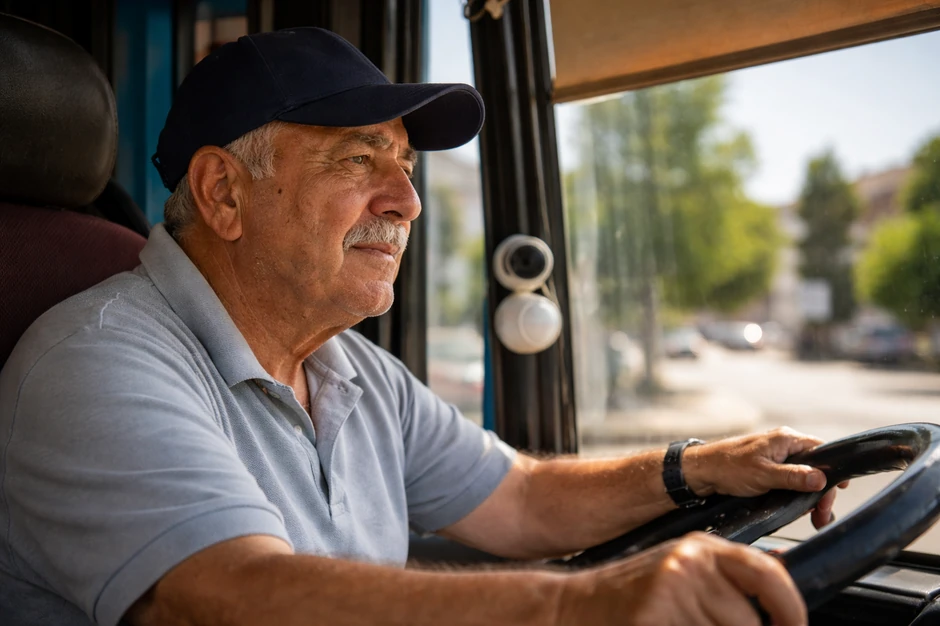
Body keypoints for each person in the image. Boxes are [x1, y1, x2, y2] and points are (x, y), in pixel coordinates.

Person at [0, 27, 841, 626]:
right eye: (358, 159)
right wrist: (582, 605)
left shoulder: (350, 370)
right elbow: (227, 597)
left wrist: (700, 468)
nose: (405, 202)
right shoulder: (95, 361)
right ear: (223, 194)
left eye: (403, 167)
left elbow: (519, 497)